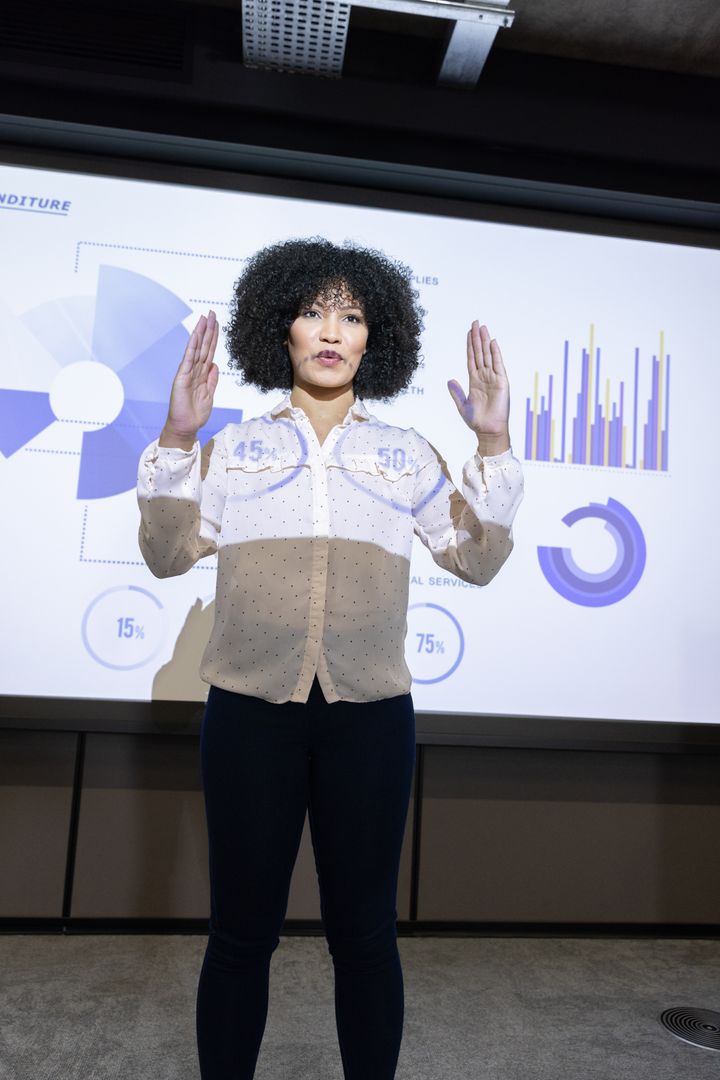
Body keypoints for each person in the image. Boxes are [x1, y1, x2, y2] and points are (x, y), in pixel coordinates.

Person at [136, 236, 524, 1079]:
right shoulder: (233, 449)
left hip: (370, 723)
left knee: (365, 938)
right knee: (240, 937)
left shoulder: (407, 453)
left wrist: (492, 444)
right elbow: (167, 556)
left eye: (351, 316)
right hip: (247, 718)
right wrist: (178, 430)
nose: (331, 330)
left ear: (373, 339)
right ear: (280, 328)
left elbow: (479, 559)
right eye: (313, 311)